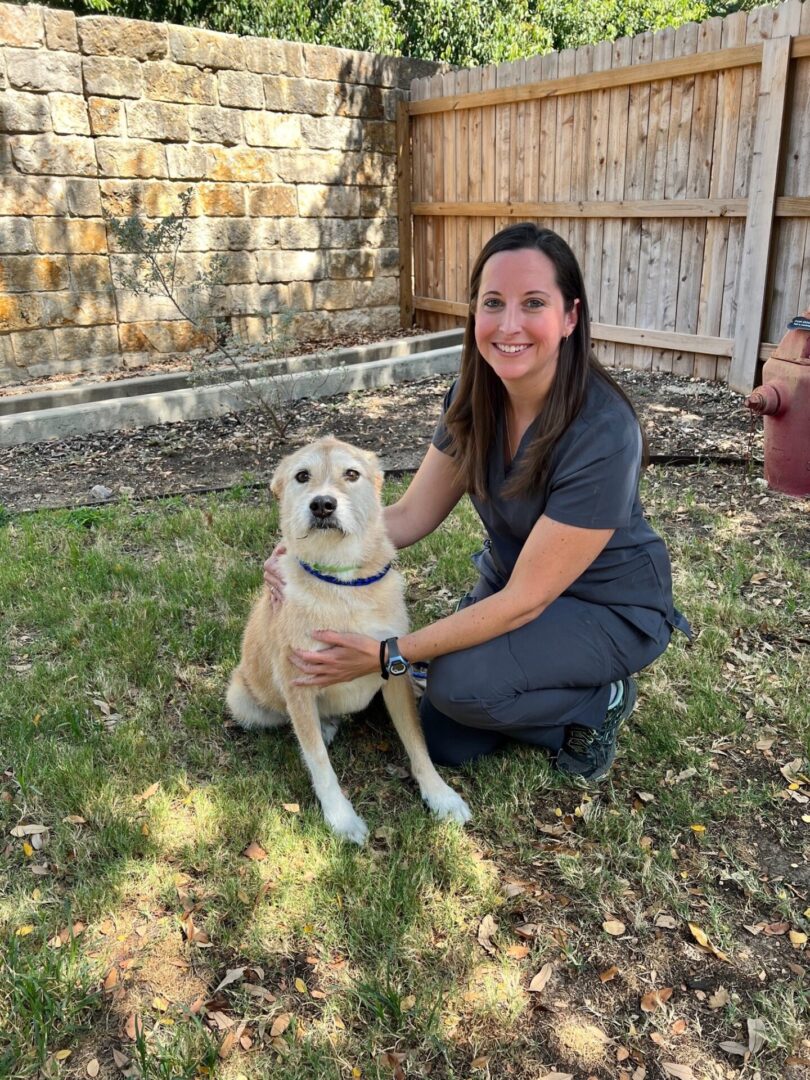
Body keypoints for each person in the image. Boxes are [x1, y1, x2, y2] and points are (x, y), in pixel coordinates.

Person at [266, 223, 691, 782]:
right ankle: (520, 684)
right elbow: (412, 514)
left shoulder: (603, 430)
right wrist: (303, 548)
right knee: (445, 735)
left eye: (533, 303)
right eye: (493, 303)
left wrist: (391, 654)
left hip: (608, 608)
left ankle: (602, 700)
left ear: (569, 318)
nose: (509, 324)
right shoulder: (472, 397)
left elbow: (525, 602)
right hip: (516, 584)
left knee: (460, 686)